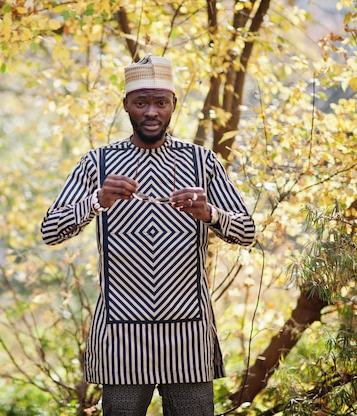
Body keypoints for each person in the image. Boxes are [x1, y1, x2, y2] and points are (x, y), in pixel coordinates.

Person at [40, 54, 256, 416]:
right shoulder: (97, 164)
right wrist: (96, 200)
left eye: (160, 102)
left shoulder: (202, 162)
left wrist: (210, 214)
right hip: (122, 340)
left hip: (188, 339)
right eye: (141, 102)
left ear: (174, 103)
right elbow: (49, 230)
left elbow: (248, 231)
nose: (151, 112)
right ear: (126, 104)